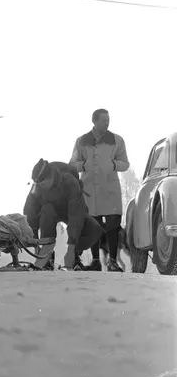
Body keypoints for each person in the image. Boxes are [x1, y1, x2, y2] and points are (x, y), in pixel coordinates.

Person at [70, 109, 130, 272]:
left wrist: (113, 164)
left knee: (112, 225)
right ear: (94, 121)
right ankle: (96, 261)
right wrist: (83, 165)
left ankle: (112, 261)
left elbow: (125, 163)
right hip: (90, 189)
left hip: (110, 188)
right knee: (93, 225)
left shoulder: (117, 140)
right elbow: (72, 164)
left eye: (108, 120)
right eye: (104, 120)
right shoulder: (82, 141)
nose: (107, 123)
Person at [24, 159, 104, 270]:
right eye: (38, 184)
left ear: (50, 176)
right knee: (47, 210)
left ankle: (74, 256)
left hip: (70, 210)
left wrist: (71, 248)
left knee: (94, 230)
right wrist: (36, 243)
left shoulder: (69, 182)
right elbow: (30, 213)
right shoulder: (37, 187)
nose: (40, 186)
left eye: (43, 183)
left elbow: (76, 215)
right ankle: (47, 257)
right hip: (50, 212)